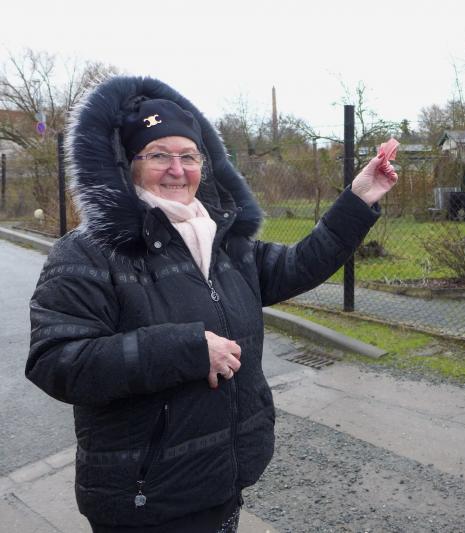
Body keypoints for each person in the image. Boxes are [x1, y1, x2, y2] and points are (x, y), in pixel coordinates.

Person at [25, 75, 398, 532]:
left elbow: (299, 264)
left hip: (222, 479)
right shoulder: (87, 254)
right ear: (128, 164)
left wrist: (359, 199)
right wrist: (187, 350)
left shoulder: (224, 243)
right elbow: (57, 361)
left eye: (189, 156)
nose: (177, 169)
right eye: (158, 155)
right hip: (147, 499)